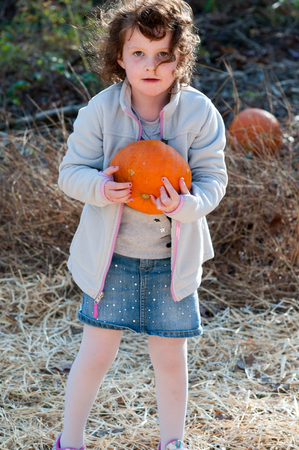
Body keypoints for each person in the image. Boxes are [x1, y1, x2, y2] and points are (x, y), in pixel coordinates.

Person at [54, 0, 227, 449]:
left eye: (163, 55)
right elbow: (70, 172)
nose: (150, 65)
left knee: (170, 357)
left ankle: (172, 441)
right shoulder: (100, 111)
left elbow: (214, 179)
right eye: (138, 54)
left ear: (180, 58)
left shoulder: (199, 113)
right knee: (95, 353)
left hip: (172, 262)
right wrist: (98, 187)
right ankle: (69, 440)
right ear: (119, 57)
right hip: (111, 260)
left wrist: (188, 205)